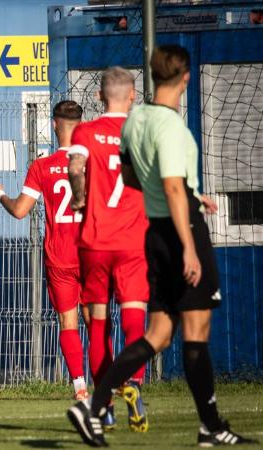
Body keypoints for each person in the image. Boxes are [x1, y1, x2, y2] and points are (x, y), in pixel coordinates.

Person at [67, 44, 256, 448]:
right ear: (185, 78)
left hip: (150, 234)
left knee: (158, 334)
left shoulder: (137, 123)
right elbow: (170, 184)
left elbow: (136, 178)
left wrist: (184, 193)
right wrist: (189, 242)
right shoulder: (168, 125)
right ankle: (210, 426)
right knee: (195, 330)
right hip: (179, 229)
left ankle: (95, 406)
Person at [0, 100, 90, 400]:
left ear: (55, 125)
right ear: (81, 126)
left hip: (59, 257)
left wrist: (0, 195)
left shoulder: (42, 166)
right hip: (91, 253)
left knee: (68, 323)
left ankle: (80, 388)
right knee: (97, 321)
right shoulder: (93, 162)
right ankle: (110, 384)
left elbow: (20, 211)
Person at [66, 67, 149, 432]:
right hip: (133, 241)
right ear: (132, 96)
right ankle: (134, 381)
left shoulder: (85, 131)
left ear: (99, 97)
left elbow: (75, 168)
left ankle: (105, 404)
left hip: (95, 241)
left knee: (98, 323)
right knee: (135, 315)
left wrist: (81, 199)